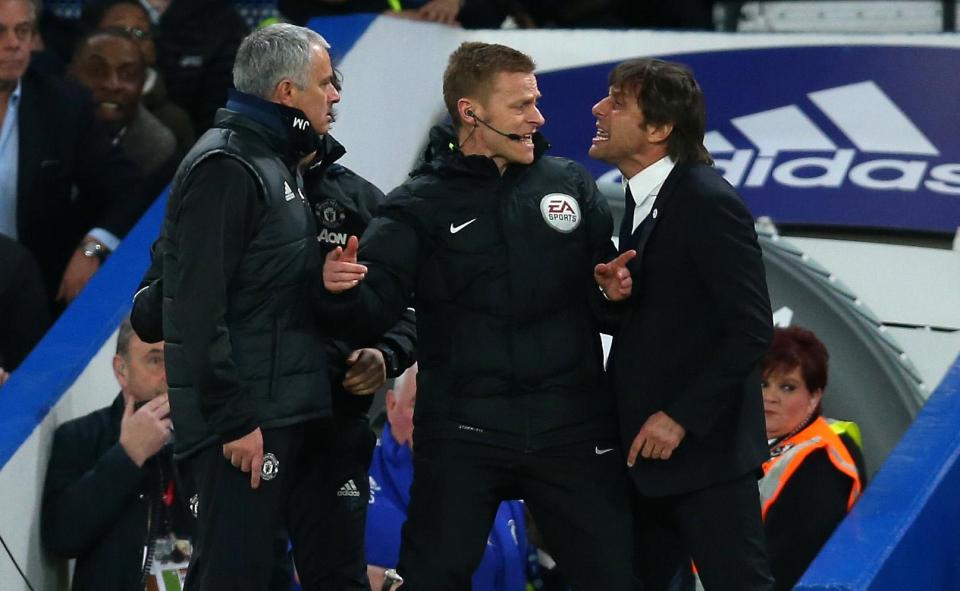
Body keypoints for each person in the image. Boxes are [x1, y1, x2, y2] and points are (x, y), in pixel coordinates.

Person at [322, 41, 636, 590]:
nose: (538, 117)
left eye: (535, 102)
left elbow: (605, 314)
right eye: (521, 106)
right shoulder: (418, 204)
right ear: (470, 112)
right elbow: (371, 310)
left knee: (612, 580)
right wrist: (339, 288)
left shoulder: (571, 184)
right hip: (466, 432)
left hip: (572, 427)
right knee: (432, 579)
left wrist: (611, 295)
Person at [158, 23, 341, 589]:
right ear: (287, 94)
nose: (335, 95)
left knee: (259, 575)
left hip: (273, 411)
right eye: (326, 83)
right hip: (242, 426)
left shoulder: (270, 160)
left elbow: (261, 287)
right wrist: (234, 419)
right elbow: (196, 307)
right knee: (231, 577)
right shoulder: (228, 166)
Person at [589, 58, 775, 591]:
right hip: (648, 461)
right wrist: (614, 298)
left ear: (658, 128)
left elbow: (750, 328)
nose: (599, 109)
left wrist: (680, 417)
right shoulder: (642, 197)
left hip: (705, 459)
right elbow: (667, 321)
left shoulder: (705, 200)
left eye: (616, 102)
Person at [0, 0, 147, 310]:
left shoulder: (62, 106)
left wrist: (94, 247)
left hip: (31, 298)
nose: (13, 44)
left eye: (22, 31)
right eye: (0, 32)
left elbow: (129, 188)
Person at [42, 317, 195, 590]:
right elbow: (60, 539)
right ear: (121, 370)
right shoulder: (81, 437)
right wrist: (127, 456)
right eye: (155, 360)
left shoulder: (207, 440)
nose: (169, 372)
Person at [365, 364, 529, 591]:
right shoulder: (353, 474)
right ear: (392, 405)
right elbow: (304, 562)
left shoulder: (502, 485)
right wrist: (386, 584)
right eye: (418, 403)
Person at [759, 326, 863, 591]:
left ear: (814, 396)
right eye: (763, 383)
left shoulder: (821, 459)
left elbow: (796, 555)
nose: (770, 397)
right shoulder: (754, 442)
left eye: (787, 387)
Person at [68, 27, 178, 199]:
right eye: (96, 71)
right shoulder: (44, 128)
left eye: (128, 74)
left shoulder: (157, 145)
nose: (112, 85)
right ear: (71, 74)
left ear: (143, 85)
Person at [83, 0, 196, 158]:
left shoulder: (174, 123)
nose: (129, 40)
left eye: (139, 33)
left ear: (153, 50)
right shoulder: (63, 104)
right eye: (118, 30)